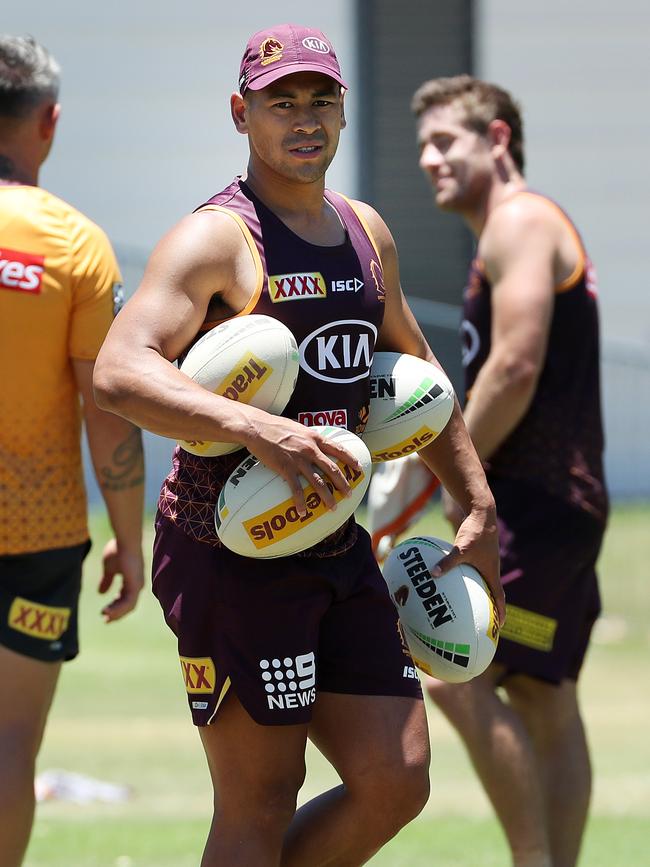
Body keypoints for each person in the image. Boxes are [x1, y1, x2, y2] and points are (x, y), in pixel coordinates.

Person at [93, 26, 504, 867]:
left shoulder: (365, 232)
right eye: (282, 102)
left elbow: (417, 371)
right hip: (227, 551)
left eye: (321, 100)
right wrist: (255, 425)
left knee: (398, 776)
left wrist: (476, 497)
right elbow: (118, 369)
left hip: (337, 544)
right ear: (242, 114)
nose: (304, 119)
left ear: (345, 113)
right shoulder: (215, 238)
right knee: (258, 799)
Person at [409, 75, 608, 867]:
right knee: (542, 692)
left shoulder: (519, 220)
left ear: (497, 139)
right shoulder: (516, 226)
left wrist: (438, 470)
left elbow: (515, 365)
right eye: (422, 144)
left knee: (453, 671)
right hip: (560, 506)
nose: (428, 159)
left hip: (534, 501)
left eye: (445, 141)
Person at [0, 35, 145, 867]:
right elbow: (109, 412)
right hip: (37, 536)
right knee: (10, 741)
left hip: (40, 534)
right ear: (49, 122)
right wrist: (129, 538)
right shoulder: (76, 244)